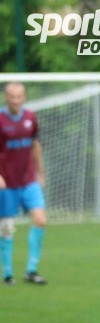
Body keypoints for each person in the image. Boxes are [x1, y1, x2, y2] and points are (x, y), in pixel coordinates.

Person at [0, 82, 48, 286]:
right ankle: (7, 274)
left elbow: (35, 146)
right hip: (6, 183)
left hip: (28, 180)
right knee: (6, 228)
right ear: (6, 98)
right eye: (12, 97)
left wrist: (40, 173)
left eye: (19, 96)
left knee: (40, 220)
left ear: (24, 97)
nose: (15, 100)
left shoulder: (30, 117)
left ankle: (31, 270)